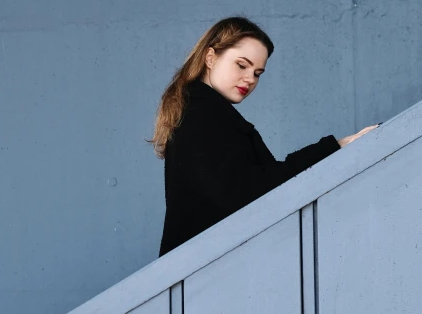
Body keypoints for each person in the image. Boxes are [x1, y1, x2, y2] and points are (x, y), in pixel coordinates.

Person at [150, 17, 379, 256]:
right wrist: (334, 147)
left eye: (258, 73)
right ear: (210, 58)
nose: (250, 79)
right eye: (241, 65)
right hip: (206, 273)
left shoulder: (203, 111)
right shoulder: (202, 116)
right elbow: (252, 192)